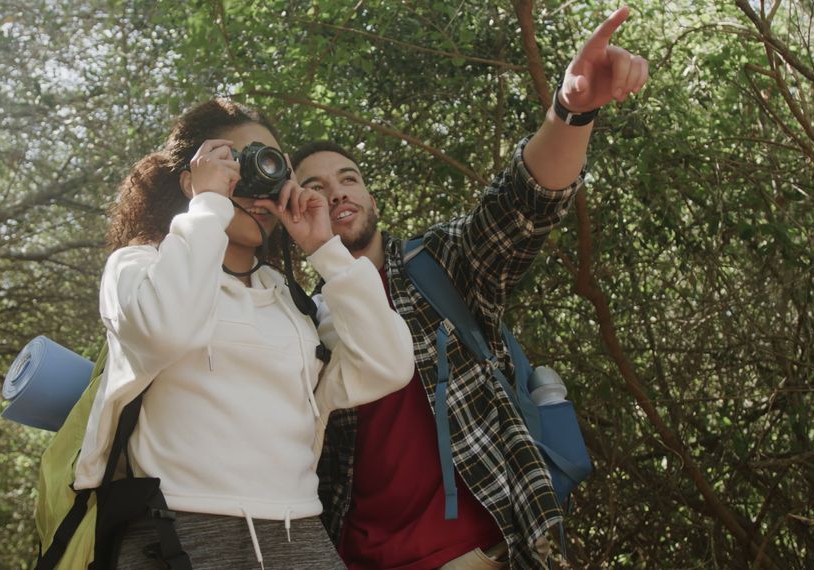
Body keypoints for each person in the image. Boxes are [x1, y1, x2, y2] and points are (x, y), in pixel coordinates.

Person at [291, 7, 648, 569]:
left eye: (349, 178)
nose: (336, 193)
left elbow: (520, 206)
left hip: (483, 553)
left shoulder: (440, 264)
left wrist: (570, 113)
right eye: (314, 187)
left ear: (369, 196)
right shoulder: (297, 322)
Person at [72, 98, 415, 569]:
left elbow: (391, 364)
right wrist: (209, 204)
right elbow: (165, 332)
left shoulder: (292, 302)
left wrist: (326, 251)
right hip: (177, 534)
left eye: (272, 167)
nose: (257, 182)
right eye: (235, 163)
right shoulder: (140, 266)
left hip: (301, 536)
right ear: (192, 176)